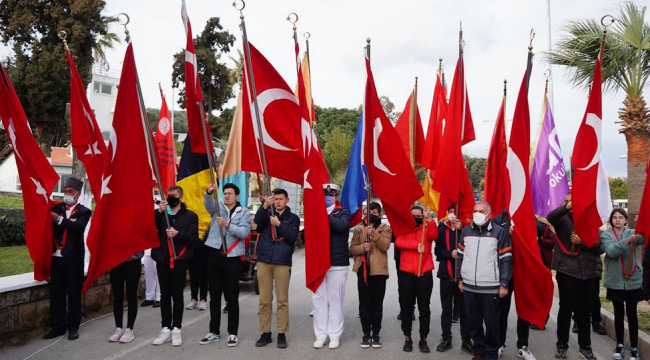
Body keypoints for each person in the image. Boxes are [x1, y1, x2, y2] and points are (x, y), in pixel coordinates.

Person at [547, 191, 603, 360]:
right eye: (566, 201)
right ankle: (562, 345)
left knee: (585, 312)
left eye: (572, 201)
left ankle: (585, 346)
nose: (569, 203)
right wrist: (567, 207)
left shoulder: (591, 220)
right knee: (565, 310)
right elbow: (551, 217)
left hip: (588, 273)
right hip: (567, 271)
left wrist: (582, 243)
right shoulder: (562, 219)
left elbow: (600, 246)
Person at [457, 201, 512, 360]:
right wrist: (460, 278)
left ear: (489, 214)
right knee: (473, 323)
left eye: (480, 211)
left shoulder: (500, 232)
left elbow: (506, 259)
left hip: (491, 287)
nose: (477, 214)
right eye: (475, 211)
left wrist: (503, 283)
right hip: (469, 287)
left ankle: (492, 352)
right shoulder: (466, 231)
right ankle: (479, 351)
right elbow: (461, 256)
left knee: (492, 323)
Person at [200, 183, 251, 347]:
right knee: (214, 295)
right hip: (215, 253)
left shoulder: (244, 213)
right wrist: (209, 192)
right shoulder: (217, 206)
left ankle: (233, 333)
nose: (227, 196)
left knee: (232, 296)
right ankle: (213, 331)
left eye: (230, 193)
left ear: (237, 196)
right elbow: (207, 203)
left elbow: (243, 233)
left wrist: (228, 225)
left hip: (233, 256)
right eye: (225, 193)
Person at [43, 177, 91, 341]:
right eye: (65, 191)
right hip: (56, 257)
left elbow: (78, 228)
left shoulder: (83, 211)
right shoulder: (57, 207)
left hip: (73, 258)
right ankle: (57, 327)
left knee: (74, 293)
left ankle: (73, 327)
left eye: (70, 192)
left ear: (78, 194)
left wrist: (59, 219)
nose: (67, 194)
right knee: (56, 293)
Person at [151, 186, 198, 347]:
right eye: (169, 195)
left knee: (177, 295)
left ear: (181, 197)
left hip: (180, 259)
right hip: (163, 258)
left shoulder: (190, 216)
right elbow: (151, 228)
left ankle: (176, 328)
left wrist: (178, 234)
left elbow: (193, 239)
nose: (171, 198)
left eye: (174, 195)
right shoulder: (161, 214)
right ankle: (165, 328)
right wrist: (158, 212)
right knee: (165, 295)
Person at [254, 188, 300, 349]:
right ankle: (265, 332)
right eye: (276, 199)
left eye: (281, 199)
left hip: (282, 261)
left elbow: (293, 237)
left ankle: (282, 333)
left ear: (287, 200)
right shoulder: (267, 214)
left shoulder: (293, 218)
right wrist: (264, 206)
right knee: (264, 300)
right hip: (264, 259)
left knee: (282, 300)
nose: (278, 201)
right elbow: (257, 224)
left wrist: (279, 224)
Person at [311, 184, 352, 349]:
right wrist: (316, 215)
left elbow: (341, 226)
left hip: (337, 263)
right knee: (319, 300)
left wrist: (324, 215)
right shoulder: (314, 213)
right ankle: (320, 335)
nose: (328, 198)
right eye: (325, 196)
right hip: (319, 262)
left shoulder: (344, 212)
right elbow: (306, 236)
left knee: (335, 300)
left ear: (336, 197)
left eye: (331, 196)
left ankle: (334, 335)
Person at [492, 210, 535, 360]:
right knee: (501, 311)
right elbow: (493, 236)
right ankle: (499, 344)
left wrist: (523, 230)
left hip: (523, 271)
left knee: (524, 311)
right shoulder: (499, 219)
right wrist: (508, 233)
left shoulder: (528, 214)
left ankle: (522, 346)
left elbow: (543, 228)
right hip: (505, 273)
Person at [601, 208, 644, 360]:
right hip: (615, 281)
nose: (617, 220)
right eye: (614, 217)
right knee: (618, 314)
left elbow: (644, 237)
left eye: (621, 217)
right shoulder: (605, 234)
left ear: (626, 220)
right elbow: (611, 251)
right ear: (611, 220)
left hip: (633, 280)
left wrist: (642, 223)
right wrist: (626, 241)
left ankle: (633, 348)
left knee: (632, 315)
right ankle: (619, 345)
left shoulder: (633, 232)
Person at [395, 205, 438, 353]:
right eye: (413, 215)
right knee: (406, 307)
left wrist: (430, 219)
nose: (415, 218)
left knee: (424, 308)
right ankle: (408, 337)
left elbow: (434, 236)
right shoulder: (404, 228)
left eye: (418, 216)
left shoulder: (426, 227)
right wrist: (415, 245)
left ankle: (423, 338)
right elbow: (399, 241)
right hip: (406, 272)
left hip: (424, 271)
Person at [350, 201, 391, 349]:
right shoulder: (359, 229)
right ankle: (366, 334)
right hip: (363, 270)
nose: (370, 216)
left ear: (379, 215)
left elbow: (385, 245)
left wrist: (373, 233)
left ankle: (376, 334)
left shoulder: (385, 229)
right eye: (368, 213)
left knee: (377, 304)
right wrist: (362, 247)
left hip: (379, 271)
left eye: (374, 213)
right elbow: (353, 249)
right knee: (365, 304)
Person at [434, 206, 473, 353]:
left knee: (464, 310)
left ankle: (466, 340)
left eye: (454, 212)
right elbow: (437, 251)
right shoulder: (442, 229)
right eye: (449, 212)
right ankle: (446, 338)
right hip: (446, 274)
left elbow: (472, 248)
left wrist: (461, 229)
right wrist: (450, 253)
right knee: (446, 310)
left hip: (463, 275)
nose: (452, 215)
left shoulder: (467, 230)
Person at [108, 251, 144, 343]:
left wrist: (135, 255)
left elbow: (143, 240)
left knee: (131, 295)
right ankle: (118, 328)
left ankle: (129, 329)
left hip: (132, 262)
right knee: (117, 296)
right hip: (116, 262)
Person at [186, 228, 209, 311]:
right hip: (192, 248)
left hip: (205, 248)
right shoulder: (191, 216)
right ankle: (193, 299)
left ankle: (203, 299)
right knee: (193, 275)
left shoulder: (207, 215)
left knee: (203, 275)